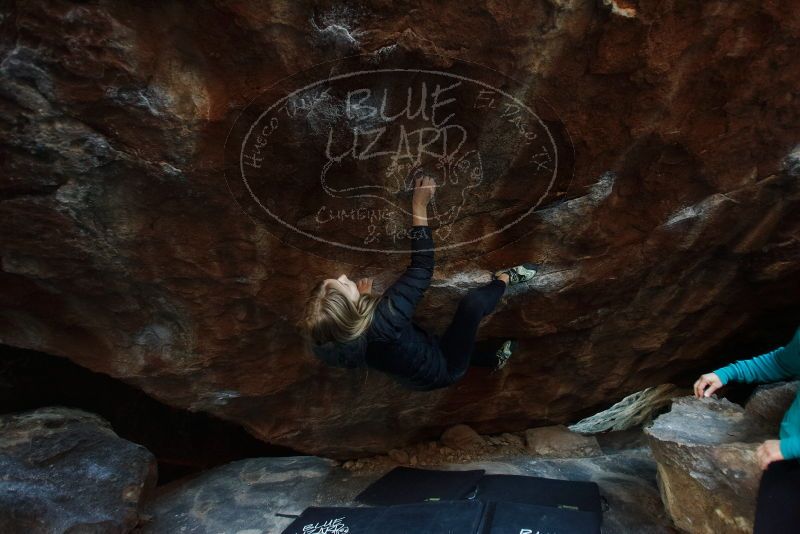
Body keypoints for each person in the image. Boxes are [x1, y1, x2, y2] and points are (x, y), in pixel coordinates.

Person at [300, 175, 538, 391]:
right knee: (472, 305)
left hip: (413, 376)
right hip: (444, 368)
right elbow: (422, 267)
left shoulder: (328, 345)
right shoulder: (387, 317)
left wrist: (359, 300)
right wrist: (419, 205)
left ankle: (494, 359)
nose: (343, 276)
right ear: (351, 315)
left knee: (458, 344)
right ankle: (505, 279)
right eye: (344, 286)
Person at [694, 326, 800, 533]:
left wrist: (792, 447)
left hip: (788, 451)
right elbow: (783, 362)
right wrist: (727, 373)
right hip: (789, 465)